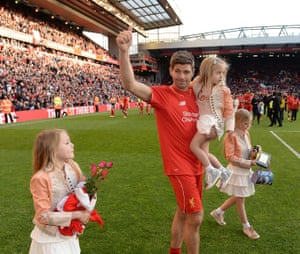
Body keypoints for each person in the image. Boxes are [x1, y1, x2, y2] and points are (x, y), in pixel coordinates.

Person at [116, 27, 204, 254]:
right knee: (196, 217)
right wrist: (124, 52)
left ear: (193, 72)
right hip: (178, 167)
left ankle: (173, 251)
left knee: (183, 212)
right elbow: (130, 85)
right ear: (171, 72)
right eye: (178, 71)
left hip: (197, 166)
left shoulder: (198, 96)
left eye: (186, 72)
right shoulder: (163, 95)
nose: (182, 77)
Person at [29, 129, 91, 254]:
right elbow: (43, 216)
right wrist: (77, 215)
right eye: (67, 143)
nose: (72, 145)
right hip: (50, 241)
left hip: (69, 236)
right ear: (53, 149)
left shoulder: (73, 166)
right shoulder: (41, 178)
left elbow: (83, 191)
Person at [210, 109, 260, 239]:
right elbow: (230, 156)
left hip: (245, 171)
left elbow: (248, 151)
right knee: (240, 199)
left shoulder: (246, 133)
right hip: (236, 172)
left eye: (249, 123)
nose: (247, 125)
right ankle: (246, 227)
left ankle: (218, 212)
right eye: (245, 123)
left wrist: (256, 155)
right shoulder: (231, 135)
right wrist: (248, 162)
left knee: (239, 197)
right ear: (237, 122)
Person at [190, 56, 234, 190]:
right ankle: (224, 172)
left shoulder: (223, 90)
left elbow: (229, 111)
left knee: (193, 146)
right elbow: (188, 87)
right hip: (204, 124)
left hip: (212, 123)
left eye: (223, 73)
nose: (221, 76)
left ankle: (211, 170)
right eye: (218, 73)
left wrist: (230, 130)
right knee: (205, 153)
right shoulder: (197, 85)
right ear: (207, 72)